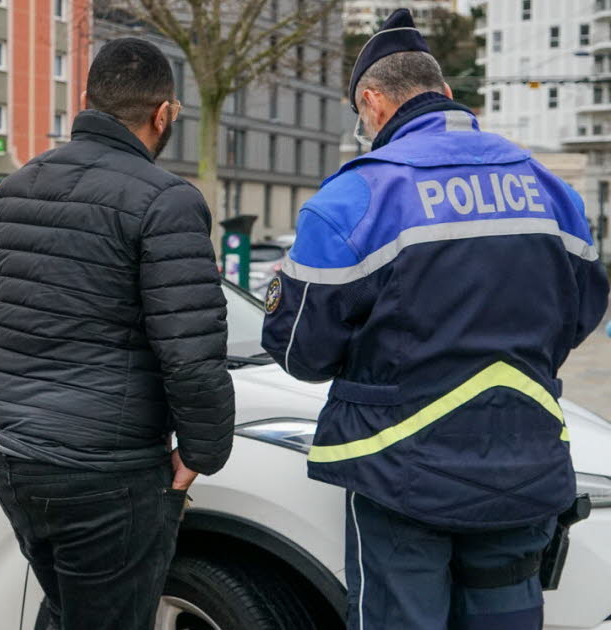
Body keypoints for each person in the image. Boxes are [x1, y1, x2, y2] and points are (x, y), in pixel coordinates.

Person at [262, 9, 611, 629]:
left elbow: (299, 350)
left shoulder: (358, 195)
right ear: (446, 94)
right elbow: (580, 313)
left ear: (371, 102)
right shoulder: (550, 189)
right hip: (524, 459)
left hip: (402, 471)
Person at [0, 37, 235, 630]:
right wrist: (203, 451)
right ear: (164, 114)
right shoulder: (166, 202)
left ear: (84, 104)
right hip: (106, 471)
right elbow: (191, 354)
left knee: (67, 608)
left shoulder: (16, 187)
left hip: (12, 457)